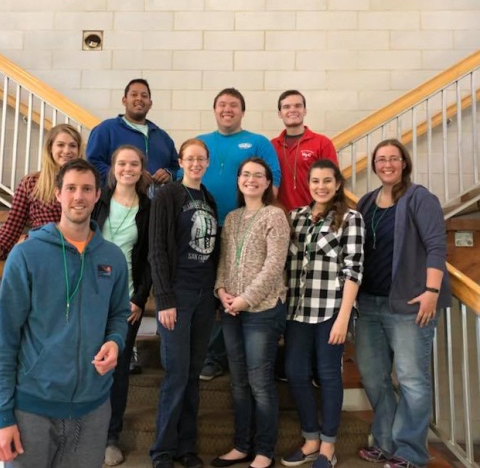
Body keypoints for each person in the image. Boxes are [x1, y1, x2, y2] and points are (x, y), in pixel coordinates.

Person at [0, 158, 130, 468]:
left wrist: (115, 341)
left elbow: (119, 314)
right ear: (58, 195)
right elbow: (5, 339)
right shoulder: (26, 254)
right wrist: (1, 417)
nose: (79, 196)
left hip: (93, 409)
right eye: (71, 188)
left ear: (97, 197)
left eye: (87, 189)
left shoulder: (113, 257)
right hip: (32, 409)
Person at [355, 139, 451, 468]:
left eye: (393, 158)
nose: (387, 164)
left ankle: (410, 452)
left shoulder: (420, 198)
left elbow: (437, 245)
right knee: (373, 376)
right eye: (381, 159)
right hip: (368, 304)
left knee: (412, 379)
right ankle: (385, 442)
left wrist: (432, 291)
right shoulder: (367, 202)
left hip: (410, 304)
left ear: (404, 163)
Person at [281, 159, 364, 468]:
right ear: (309, 184)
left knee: (329, 376)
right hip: (297, 311)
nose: (321, 186)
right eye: (315, 181)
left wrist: (344, 317)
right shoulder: (296, 217)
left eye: (327, 181)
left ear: (337, 183)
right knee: (295, 373)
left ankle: (328, 446)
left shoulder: (351, 219)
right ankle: (311, 439)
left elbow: (353, 270)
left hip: (331, 311)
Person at [197, 88, 281, 382]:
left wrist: (258, 217)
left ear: (242, 111)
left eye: (233, 105)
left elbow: (273, 182)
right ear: (214, 109)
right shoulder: (203, 142)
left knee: (243, 291)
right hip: (206, 229)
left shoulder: (258, 142)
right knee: (214, 291)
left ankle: (234, 357)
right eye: (222, 104)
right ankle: (211, 356)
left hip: (244, 227)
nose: (227, 109)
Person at [211, 157, 290, 468]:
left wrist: (246, 299)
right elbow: (223, 262)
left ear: (268, 182)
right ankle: (242, 445)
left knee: (259, 381)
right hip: (232, 310)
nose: (252, 180)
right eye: (246, 174)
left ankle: (264, 450)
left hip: (263, 310)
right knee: (238, 382)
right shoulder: (231, 218)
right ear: (239, 179)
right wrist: (221, 291)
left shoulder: (276, 215)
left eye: (259, 175)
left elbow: (274, 267)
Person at [149, 139, 220, 468]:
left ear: (207, 162)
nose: (195, 163)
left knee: (193, 375)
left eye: (201, 159)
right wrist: (164, 298)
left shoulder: (208, 199)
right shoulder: (168, 195)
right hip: (177, 296)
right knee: (176, 374)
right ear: (180, 162)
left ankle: (186, 447)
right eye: (189, 158)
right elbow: (158, 249)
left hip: (205, 298)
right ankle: (162, 451)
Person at [0, 124, 83, 285]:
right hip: (39, 261)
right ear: (50, 148)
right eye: (60, 145)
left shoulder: (87, 185)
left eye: (72, 145)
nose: (67, 150)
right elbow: (11, 228)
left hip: (76, 262)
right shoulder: (31, 183)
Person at [91, 145, 152, 466]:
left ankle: (110, 437)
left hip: (125, 303)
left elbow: (150, 260)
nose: (127, 168)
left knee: (118, 371)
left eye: (134, 164)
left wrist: (140, 299)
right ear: (112, 168)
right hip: (90, 299)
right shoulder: (97, 202)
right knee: (88, 364)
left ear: (142, 170)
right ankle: (83, 431)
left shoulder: (148, 208)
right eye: (122, 163)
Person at [85, 78, 179, 188]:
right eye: (134, 95)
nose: (139, 98)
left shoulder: (163, 137)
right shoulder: (106, 129)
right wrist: (126, 175)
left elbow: (177, 167)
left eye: (144, 96)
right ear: (124, 100)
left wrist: (169, 174)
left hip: (156, 203)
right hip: (115, 201)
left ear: (150, 103)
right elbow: (92, 163)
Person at [271, 90, 339, 211]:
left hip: (313, 216)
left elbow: (333, 180)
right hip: (280, 216)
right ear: (279, 113)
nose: (292, 110)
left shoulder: (322, 143)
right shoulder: (271, 146)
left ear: (305, 111)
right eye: (286, 107)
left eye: (298, 106)